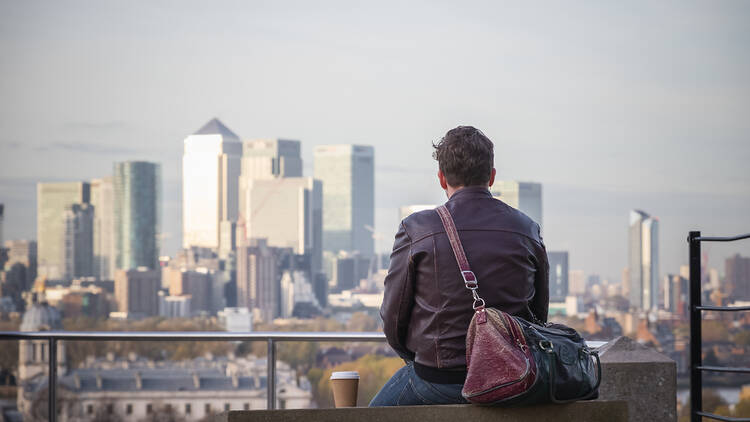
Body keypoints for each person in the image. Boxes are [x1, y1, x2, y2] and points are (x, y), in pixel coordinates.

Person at [370, 126, 549, 406]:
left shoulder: (417, 229)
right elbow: (539, 314)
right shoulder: (527, 228)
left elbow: (393, 317)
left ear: (442, 178)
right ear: (491, 176)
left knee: (369, 414)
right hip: (513, 378)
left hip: (440, 380)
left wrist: (417, 360)